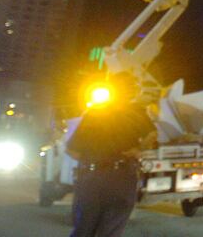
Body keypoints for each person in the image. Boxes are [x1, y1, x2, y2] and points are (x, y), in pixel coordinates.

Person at [66, 74, 156, 237]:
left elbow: (71, 150)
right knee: (111, 229)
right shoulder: (136, 113)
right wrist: (138, 149)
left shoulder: (94, 112)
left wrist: (92, 162)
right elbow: (152, 135)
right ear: (132, 91)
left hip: (92, 178)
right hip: (122, 176)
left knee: (84, 228)